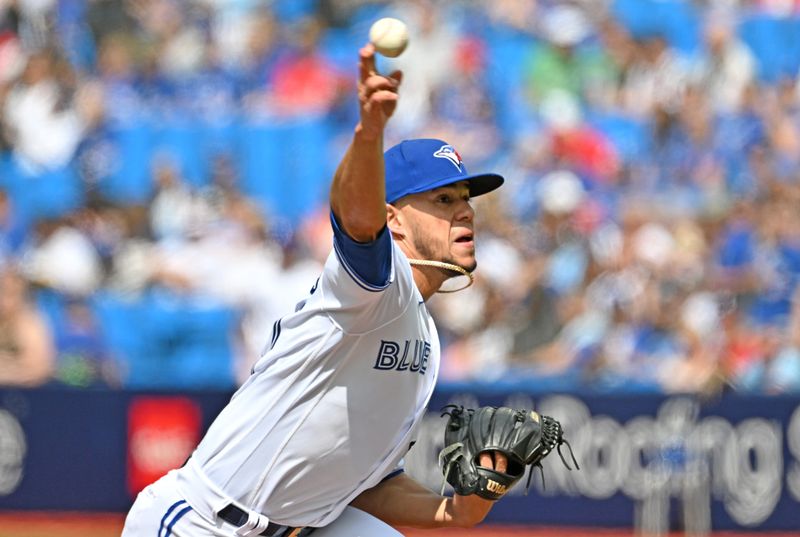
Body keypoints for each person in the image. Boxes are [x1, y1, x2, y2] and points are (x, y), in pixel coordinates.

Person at [121, 42, 507, 537]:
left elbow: (369, 485)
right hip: (203, 523)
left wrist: (456, 510)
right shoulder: (378, 287)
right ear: (394, 220)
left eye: (466, 200)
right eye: (444, 198)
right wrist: (369, 132)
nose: (465, 210)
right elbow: (355, 218)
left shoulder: (427, 341)